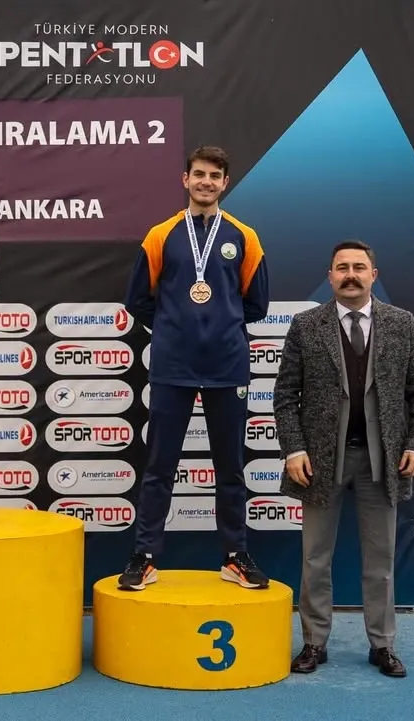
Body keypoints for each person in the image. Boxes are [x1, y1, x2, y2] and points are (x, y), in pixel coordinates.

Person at [273, 240, 414, 678]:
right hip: (320, 463)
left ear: (373, 275)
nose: (350, 274)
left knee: (381, 561)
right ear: (330, 276)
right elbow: (285, 395)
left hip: (382, 463)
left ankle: (382, 645)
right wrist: (294, 449)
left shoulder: (401, 323)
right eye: (342, 267)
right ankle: (313, 642)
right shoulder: (306, 325)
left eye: (359, 267)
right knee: (315, 559)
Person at [117, 145, 271, 591]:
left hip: (227, 366)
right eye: (199, 174)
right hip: (173, 366)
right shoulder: (160, 235)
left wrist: (219, 325)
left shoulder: (245, 237)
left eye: (215, 176)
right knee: (159, 465)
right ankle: (145, 556)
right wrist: (175, 327)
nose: (206, 182)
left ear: (225, 183)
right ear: (185, 179)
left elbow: (257, 304)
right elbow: (138, 300)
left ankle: (234, 556)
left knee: (231, 467)